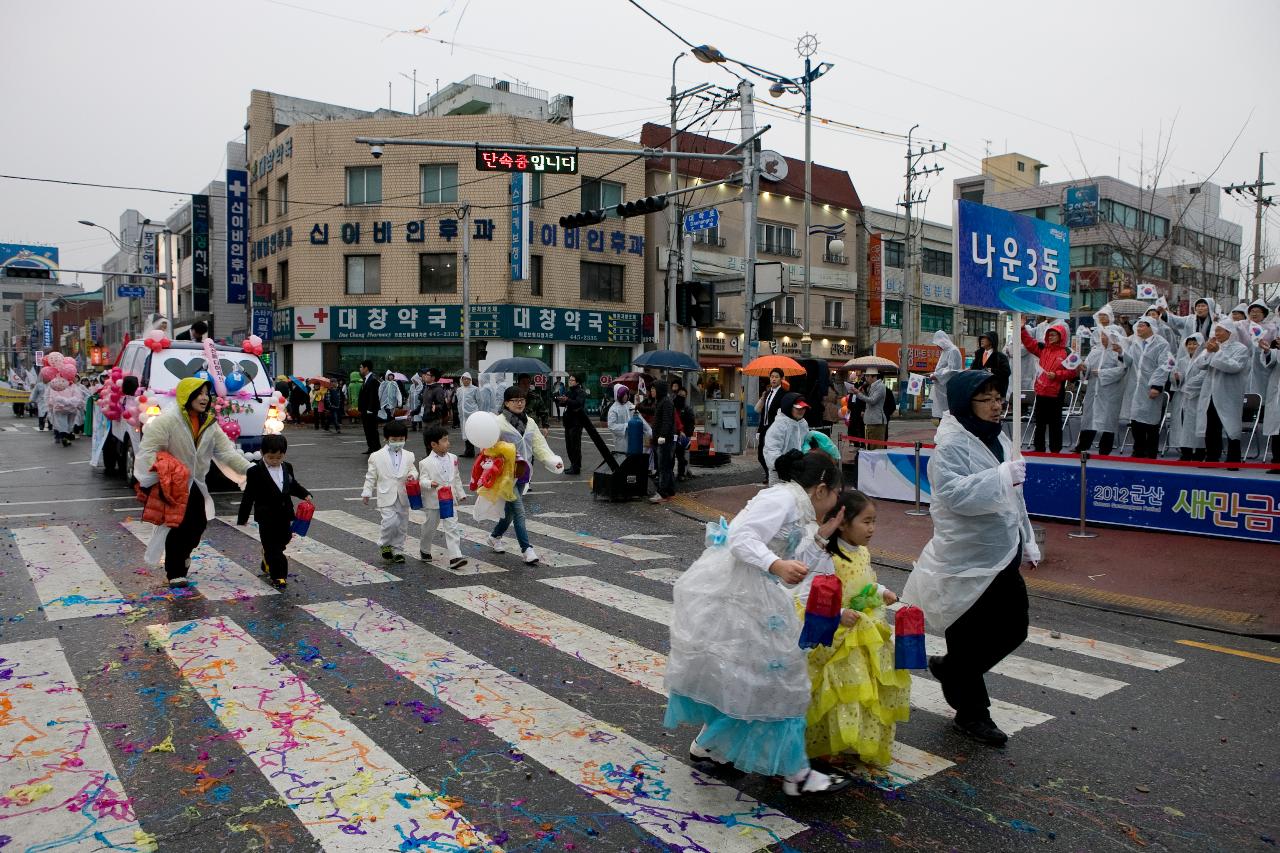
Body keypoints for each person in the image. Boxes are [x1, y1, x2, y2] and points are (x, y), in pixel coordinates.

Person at [665, 449, 851, 796]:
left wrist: (820, 537)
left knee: (750, 679)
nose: (838, 499)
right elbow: (740, 537)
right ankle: (796, 774)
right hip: (742, 598)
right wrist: (774, 565)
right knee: (779, 680)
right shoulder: (781, 498)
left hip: (761, 597)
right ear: (821, 489)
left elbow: (796, 563)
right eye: (837, 491)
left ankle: (709, 745)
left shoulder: (802, 511)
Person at [903, 371, 1040, 746]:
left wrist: (1027, 540)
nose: (997, 406)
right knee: (966, 636)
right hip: (963, 558)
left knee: (1014, 628)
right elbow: (953, 494)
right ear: (967, 403)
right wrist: (1000, 476)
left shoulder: (999, 438)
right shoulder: (950, 445)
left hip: (1001, 553)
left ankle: (951, 670)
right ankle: (972, 714)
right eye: (988, 399)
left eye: (1000, 398)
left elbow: (1015, 496)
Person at [796, 490, 909, 769]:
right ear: (843, 523)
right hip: (836, 635)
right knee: (836, 688)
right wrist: (836, 614)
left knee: (864, 688)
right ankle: (825, 740)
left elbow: (865, 583)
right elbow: (809, 595)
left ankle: (853, 739)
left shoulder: (864, 553)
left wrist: (881, 591)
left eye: (874, 521)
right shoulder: (828, 558)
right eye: (866, 522)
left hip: (863, 630)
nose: (872, 529)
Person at [134, 378, 252, 589]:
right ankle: (175, 571)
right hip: (172, 483)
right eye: (199, 393)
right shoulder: (167, 421)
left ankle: (184, 554)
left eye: (207, 393)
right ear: (186, 395)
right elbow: (149, 450)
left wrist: (250, 470)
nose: (204, 398)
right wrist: (160, 470)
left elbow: (225, 452)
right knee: (178, 525)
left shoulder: (209, 423)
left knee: (198, 525)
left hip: (196, 482)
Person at [487, 387, 564, 563]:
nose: (520, 403)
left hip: (523, 472)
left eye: (522, 399)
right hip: (505, 475)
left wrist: (552, 460)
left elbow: (539, 445)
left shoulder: (530, 422)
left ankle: (494, 536)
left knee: (510, 513)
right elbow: (489, 448)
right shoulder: (498, 423)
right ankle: (527, 549)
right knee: (519, 512)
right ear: (506, 403)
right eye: (515, 400)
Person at [235, 433, 313, 589]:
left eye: (279, 457)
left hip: (284, 514)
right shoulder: (255, 472)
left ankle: (267, 559)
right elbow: (248, 495)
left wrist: (305, 494)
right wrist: (242, 517)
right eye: (271, 457)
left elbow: (292, 485)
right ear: (263, 454)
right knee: (274, 548)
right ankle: (279, 576)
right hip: (266, 516)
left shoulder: (287, 467)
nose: (275, 461)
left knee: (283, 540)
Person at [361, 420, 415, 564]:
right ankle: (385, 544)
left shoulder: (409, 455)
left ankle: (398, 549)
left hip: (403, 495)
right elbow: (371, 476)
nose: (398, 442)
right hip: (386, 495)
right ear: (386, 439)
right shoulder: (376, 456)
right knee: (390, 522)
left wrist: (413, 475)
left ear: (406, 439)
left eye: (401, 440)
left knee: (402, 524)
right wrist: (367, 492)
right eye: (394, 440)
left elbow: (412, 469)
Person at [1197, 321, 1249, 464]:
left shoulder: (1241, 349)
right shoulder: (1213, 345)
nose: (1217, 334)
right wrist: (1208, 351)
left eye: (1220, 330)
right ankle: (1212, 456)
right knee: (1211, 425)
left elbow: (1234, 367)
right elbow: (1200, 364)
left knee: (1231, 425)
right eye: (1216, 330)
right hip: (1211, 392)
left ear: (1229, 332)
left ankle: (1233, 459)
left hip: (1229, 393)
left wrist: (1217, 353)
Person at [418, 425, 468, 569]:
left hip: (449, 500)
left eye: (448, 439)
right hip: (433, 500)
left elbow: (456, 478)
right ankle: (424, 549)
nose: (448, 443)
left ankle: (455, 557)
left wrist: (460, 493)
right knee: (430, 527)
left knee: (452, 527)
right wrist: (429, 483)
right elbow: (422, 480)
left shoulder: (453, 458)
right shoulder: (425, 463)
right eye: (444, 440)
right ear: (433, 444)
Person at [1020, 320, 1074, 453]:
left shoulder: (1067, 352)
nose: (1051, 337)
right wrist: (1022, 329)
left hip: (1056, 393)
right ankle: (1039, 449)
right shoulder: (1043, 348)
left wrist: (1056, 375)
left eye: (1054, 335)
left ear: (1061, 336)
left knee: (1055, 424)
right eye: (1049, 334)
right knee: (1040, 423)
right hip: (1041, 392)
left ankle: (1055, 450)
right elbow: (1029, 344)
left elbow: (1072, 372)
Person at [1125, 317, 1172, 458]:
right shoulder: (1135, 343)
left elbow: (1164, 366)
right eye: (1138, 326)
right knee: (1135, 419)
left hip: (1151, 387)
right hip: (1136, 387)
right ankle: (1138, 450)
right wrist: (1120, 353)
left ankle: (1151, 452)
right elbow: (1129, 361)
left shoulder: (1162, 344)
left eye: (1142, 326)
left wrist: (1156, 386)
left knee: (1151, 422)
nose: (1139, 329)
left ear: (1151, 327)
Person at [1075, 327, 1127, 455]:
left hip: (1110, 392)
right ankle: (1082, 446)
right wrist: (1083, 368)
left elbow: (1122, 370)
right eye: (1102, 335)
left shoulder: (1118, 352)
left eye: (1106, 335)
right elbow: (1087, 367)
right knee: (1089, 418)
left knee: (1108, 420)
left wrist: (1102, 373)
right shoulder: (1094, 351)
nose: (1103, 338)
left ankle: (1105, 449)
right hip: (1093, 390)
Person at [1170, 334, 1208, 461]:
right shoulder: (1181, 360)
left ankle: (1199, 453)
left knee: (1197, 425)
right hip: (1182, 398)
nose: (1191, 346)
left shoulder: (1204, 359)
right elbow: (1176, 377)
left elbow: (1203, 376)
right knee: (1183, 425)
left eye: (1194, 344)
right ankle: (1185, 453)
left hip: (1197, 397)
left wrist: (1188, 386)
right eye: (1189, 344)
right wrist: (1177, 378)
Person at [763, 393, 811, 485]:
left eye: (803, 408)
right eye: (798, 408)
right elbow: (771, 450)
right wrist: (782, 462)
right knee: (779, 498)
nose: (801, 411)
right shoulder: (779, 426)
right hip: (779, 474)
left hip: (798, 471)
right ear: (789, 407)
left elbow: (805, 443)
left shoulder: (803, 423)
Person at [754, 368, 787, 484]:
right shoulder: (767, 393)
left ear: (782, 379)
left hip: (775, 429)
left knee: (773, 453)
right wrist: (759, 429)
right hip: (764, 427)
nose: (773, 379)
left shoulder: (784, 394)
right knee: (760, 455)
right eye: (772, 376)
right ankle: (769, 474)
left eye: (776, 377)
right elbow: (762, 412)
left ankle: (774, 476)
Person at [650, 380, 677, 504]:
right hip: (662, 440)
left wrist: (662, 436)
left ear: (659, 390)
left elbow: (667, 421)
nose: (651, 391)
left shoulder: (666, 402)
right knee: (666, 466)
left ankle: (662, 493)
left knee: (663, 467)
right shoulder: (661, 401)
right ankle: (670, 490)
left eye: (653, 389)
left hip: (665, 441)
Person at [929, 330, 963, 424]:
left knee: (948, 412)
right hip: (942, 388)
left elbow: (952, 370)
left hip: (948, 387)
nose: (937, 346)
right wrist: (936, 374)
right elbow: (943, 368)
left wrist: (937, 376)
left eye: (938, 344)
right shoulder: (945, 351)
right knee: (942, 413)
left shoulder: (953, 351)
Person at [558, 373, 587, 475]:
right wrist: (560, 400)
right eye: (569, 380)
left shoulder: (580, 392)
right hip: (568, 422)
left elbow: (578, 403)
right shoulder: (569, 391)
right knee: (569, 446)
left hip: (576, 422)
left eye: (572, 380)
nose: (570, 381)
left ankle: (576, 467)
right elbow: (564, 404)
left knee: (575, 446)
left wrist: (567, 400)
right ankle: (572, 465)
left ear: (577, 382)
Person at [1259, 334, 1280, 471]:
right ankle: (1276, 462)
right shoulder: (1276, 352)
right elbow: (1269, 362)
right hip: (1276, 396)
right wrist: (1267, 351)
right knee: (1277, 431)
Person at [608, 384, 649, 449]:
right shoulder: (613, 409)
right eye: (623, 395)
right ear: (618, 395)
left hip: (633, 437)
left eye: (627, 394)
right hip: (621, 440)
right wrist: (626, 426)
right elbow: (611, 426)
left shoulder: (630, 405)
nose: (625, 396)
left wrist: (649, 432)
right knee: (622, 457)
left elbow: (640, 420)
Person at [854, 370, 888, 445]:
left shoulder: (880, 386)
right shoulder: (871, 386)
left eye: (867, 376)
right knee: (870, 447)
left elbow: (872, 400)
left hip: (876, 421)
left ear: (873, 376)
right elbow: (869, 400)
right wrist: (862, 393)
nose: (866, 378)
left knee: (876, 447)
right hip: (870, 420)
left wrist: (859, 394)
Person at [973, 331, 1011, 397]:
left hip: (994, 392)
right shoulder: (978, 355)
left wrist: (991, 370)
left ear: (991, 341)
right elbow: (973, 369)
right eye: (981, 338)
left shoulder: (1000, 357)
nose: (982, 340)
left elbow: (1006, 372)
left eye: (984, 338)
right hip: (979, 391)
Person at [673, 380, 697, 482]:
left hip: (682, 435)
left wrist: (687, 435)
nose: (681, 397)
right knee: (671, 456)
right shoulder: (672, 406)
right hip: (673, 434)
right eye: (680, 394)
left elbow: (691, 422)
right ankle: (671, 473)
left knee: (680, 456)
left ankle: (681, 473)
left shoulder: (687, 409)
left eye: (683, 395)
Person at [455, 372, 481, 457]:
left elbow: (479, 401)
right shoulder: (459, 390)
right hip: (463, 415)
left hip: (472, 414)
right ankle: (468, 451)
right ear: (461, 379)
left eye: (468, 379)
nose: (466, 380)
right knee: (465, 432)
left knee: (472, 432)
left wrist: (479, 413)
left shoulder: (475, 389)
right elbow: (459, 402)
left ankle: (472, 451)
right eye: (464, 379)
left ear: (470, 380)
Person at [358, 361, 382, 454]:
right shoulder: (366, 379)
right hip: (365, 409)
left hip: (370, 410)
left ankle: (376, 447)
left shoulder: (373, 379)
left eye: (361, 367)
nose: (360, 369)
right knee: (367, 429)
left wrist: (370, 409)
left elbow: (373, 396)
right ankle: (371, 447)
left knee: (372, 429)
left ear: (366, 368)